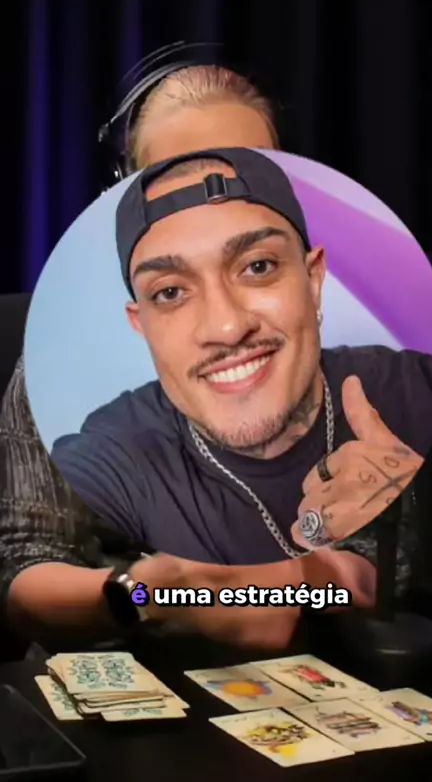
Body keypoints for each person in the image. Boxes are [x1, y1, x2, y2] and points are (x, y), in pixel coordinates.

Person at [0, 64, 381, 651]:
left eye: (244, 175)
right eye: (178, 184)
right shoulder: (62, 365)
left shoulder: (366, 369)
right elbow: (24, 569)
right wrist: (153, 595)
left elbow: (373, 571)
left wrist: (303, 580)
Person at [48, 147, 432, 579]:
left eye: (258, 266)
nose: (226, 327)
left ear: (313, 279)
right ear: (141, 323)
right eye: (170, 292)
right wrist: (146, 594)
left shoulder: (420, 391)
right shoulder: (111, 455)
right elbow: (27, 560)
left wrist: (420, 504)